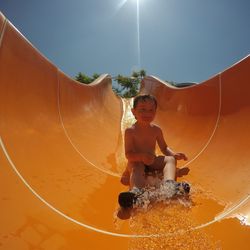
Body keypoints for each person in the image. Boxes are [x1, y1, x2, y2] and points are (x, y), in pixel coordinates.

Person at [120, 94, 188, 189]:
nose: (147, 113)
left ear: (155, 112)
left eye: (151, 110)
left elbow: (164, 148)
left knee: (170, 160)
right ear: (133, 112)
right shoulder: (130, 131)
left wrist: (174, 154)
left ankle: (169, 185)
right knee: (136, 167)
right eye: (142, 109)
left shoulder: (156, 130)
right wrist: (142, 157)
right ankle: (137, 192)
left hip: (152, 160)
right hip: (137, 161)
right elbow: (129, 154)